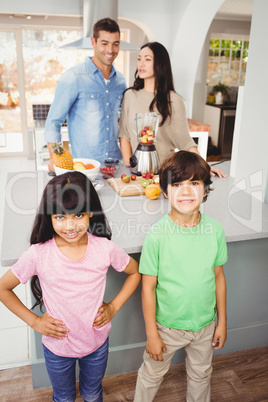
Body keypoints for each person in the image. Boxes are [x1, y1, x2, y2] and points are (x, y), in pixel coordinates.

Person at [0, 171, 140, 401]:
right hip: (57, 350)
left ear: (90, 214)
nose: (70, 226)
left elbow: (135, 272)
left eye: (78, 216)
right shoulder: (38, 254)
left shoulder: (104, 249)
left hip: (96, 345)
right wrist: (34, 321)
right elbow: (3, 288)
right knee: (64, 397)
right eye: (60, 217)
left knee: (93, 394)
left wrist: (113, 307)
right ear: (49, 216)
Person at [134, 150, 228, 402]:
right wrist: (152, 335)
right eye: (177, 184)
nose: (186, 191)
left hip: (205, 325)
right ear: (165, 191)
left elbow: (219, 277)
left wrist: (222, 322)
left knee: (201, 374)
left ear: (206, 190)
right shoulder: (157, 236)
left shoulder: (215, 231)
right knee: (152, 374)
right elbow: (147, 288)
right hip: (166, 328)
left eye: (194, 183)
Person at [118, 42, 226, 178]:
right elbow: (124, 133)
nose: (141, 64)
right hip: (135, 172)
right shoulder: (130, 95)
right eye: (139, 59)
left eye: (147, 59)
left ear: (160, 64)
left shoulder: (174, 100)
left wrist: (205, 166)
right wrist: (129, 165)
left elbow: (185, 142)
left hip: (164, 172)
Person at [44, 18, 126, 171]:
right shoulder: (73, 77)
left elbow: (123, 123)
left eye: (115, 44)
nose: (110, 50)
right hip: (85, 168)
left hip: (116, 167)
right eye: (104, 43)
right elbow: (53, 122)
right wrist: (56, 159)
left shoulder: (121, 81)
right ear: (93, 42)